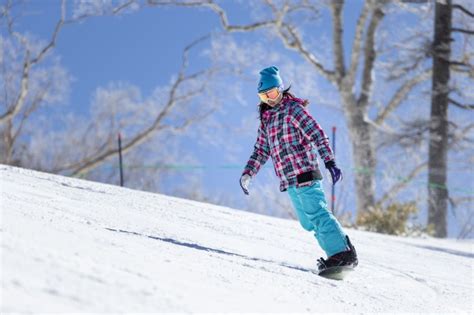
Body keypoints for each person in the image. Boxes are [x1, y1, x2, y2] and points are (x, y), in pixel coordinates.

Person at [239, 66, 358, 271]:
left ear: (281, 89)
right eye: (264, 96)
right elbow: (260, 150)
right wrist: (248, 172)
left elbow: (317, 134)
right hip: (289, 180)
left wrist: (329, 161)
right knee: (307, 222)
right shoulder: (267, 120)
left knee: (317, 213)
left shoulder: (293, 109)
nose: (269, 99)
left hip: (305, 171)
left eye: (273, 93)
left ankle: (341, 254)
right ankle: (341, 248)